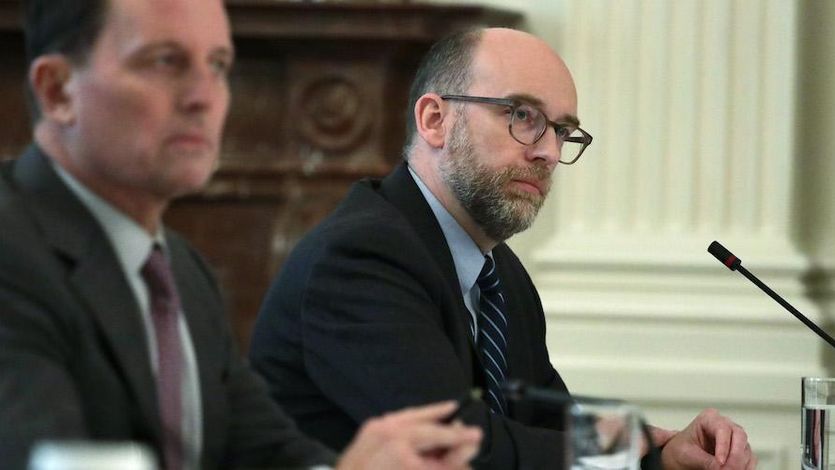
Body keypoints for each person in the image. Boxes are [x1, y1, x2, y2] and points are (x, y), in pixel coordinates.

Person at [0, 0, 483, 469]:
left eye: (218, 65)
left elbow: (267, 452)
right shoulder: (12, 254)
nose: (203, 96)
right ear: (57, 91)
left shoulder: (183, 271)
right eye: (166, 61)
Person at [249, 27, 758, 470]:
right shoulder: (361, 257)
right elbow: (458, 448)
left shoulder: (500, 274)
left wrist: (661, 455)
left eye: (562, 131)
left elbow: (544, 419)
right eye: (521, 114)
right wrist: (625, 448)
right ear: (434, 120)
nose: (549, 152)